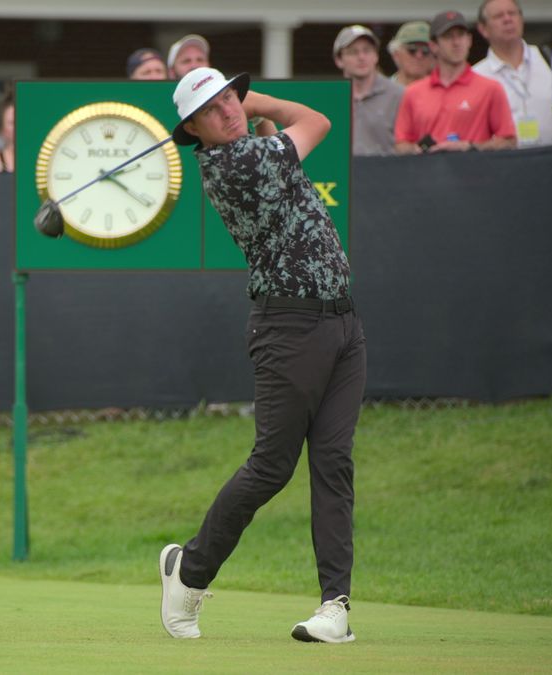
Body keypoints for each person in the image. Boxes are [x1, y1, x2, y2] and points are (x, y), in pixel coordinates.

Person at [159, 67, 366, 644]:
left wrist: (246, 107)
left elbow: (286, 127)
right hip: (289, 327)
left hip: (344, 322)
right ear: (194, 130)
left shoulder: (251, 146)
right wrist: (256, 101)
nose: (228, 109)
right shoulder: (236, 163)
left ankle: (335, 608)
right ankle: (189, 574)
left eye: (230, 96)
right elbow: (317, 120)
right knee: (272, 465)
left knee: (333, 464)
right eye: (213, 108)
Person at [394, 11, 517, 153]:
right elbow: (400, 144)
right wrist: (417, 150)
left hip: (473, 172)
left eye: (461, 35)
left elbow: (509, 141)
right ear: (433, 45)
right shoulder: (412, 92)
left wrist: (471, 147)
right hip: (428, 172)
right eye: (448, 37)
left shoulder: (490, 88)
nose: (456, 42)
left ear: (469, 40)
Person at [472, 0, 552, 147]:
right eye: (498, 16)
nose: (507, 19)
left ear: (521, 19)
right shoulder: (475, 76)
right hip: (506, 163)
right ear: (483, 29)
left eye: (512, 13)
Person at [333, 25, 405, 156]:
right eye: (353, 52)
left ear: (376, 56)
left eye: (367, 51)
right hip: (342, 174)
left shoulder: (399, 95)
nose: (361, 57)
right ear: (339, 60)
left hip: (385, 172)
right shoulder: (331, 97)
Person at [388, 21, 437, 87]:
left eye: (426, 51)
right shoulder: (381, 91)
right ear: (396, 55)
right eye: (412, 50)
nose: (419, 55)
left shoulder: (442, 92)